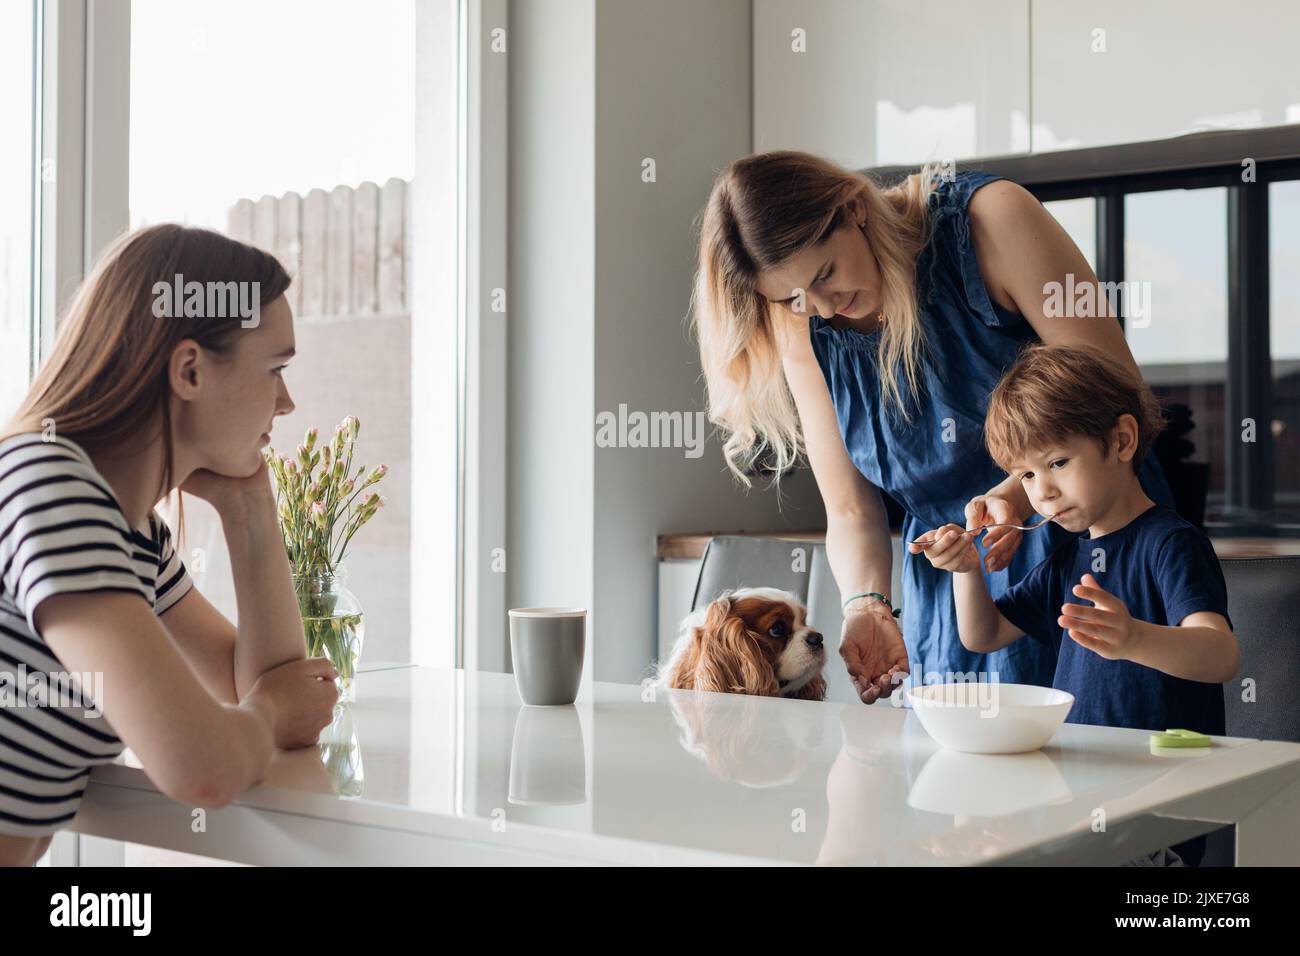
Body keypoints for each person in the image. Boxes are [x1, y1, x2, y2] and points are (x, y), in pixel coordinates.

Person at [691, 151, 1174, 704]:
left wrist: (1017, 497)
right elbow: (851, 511)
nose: (824, 308)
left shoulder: (992, 221)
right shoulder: (805, 323)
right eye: (795, 298)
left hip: (1093, 548)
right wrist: (866, 603)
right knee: (964, 778)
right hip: (953, 586)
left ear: (854, 209)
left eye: (825, 273)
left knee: (1112, 766)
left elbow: (1119, 398)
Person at [0, 224, 338, 866]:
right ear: (189, 370)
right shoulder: (49, 489)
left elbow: (264, 681)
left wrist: (250, 510)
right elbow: (203, 764)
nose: (286, 402)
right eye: (275, 369)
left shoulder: (131, 532)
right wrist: (268, 714)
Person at [912, 342, 1238, 865]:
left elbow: (1220, 656)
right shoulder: (1071, 558)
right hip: (1078, 805)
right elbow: (984, 634)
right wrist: (966, 570)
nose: (1041, 492)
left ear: (1123, 440)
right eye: (1025, 475)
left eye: (1057, 462)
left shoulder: (1171, 542)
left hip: (1153, 817)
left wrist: (1135, 638)